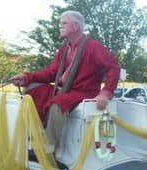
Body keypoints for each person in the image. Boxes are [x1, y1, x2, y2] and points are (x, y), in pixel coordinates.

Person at [10, 10, 120, 154]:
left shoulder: (93, 46)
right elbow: (51, 73)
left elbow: (113, 67)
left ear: (76, 26)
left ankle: (48, 146)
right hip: (64, 90)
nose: (59, 26)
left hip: (84, 92)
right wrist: (26, 77)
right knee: (32, 89)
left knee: (59, 103)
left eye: (64, 23)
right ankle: (33, 136)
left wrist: (105, 92)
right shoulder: (64, 49)